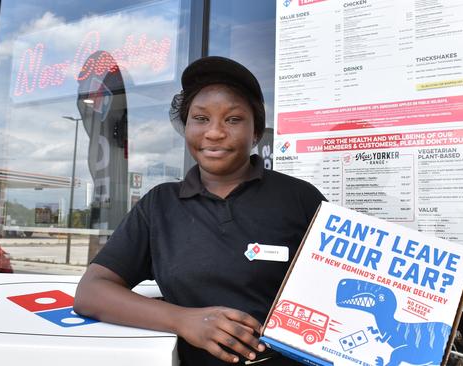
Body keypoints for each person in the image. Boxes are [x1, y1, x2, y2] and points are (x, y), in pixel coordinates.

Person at [75, 56, 326, 366]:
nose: (215, 132)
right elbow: (91, 291)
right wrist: (183, 320)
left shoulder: (299, 199)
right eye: (201, 118)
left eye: (233, 119)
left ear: (257, 131)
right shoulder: (160, 206)